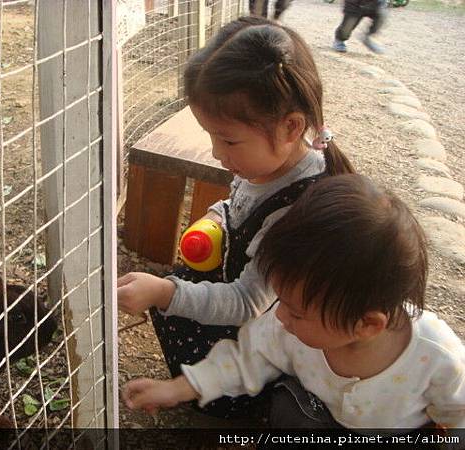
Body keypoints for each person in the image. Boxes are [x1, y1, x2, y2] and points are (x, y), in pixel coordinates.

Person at [118, 16, 356, 419]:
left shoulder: (296, 208)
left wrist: (163, 292)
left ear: (290, 127)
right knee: (180, 286)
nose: (215, 153)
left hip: (275, 330)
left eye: (226, 139)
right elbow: (236, 203)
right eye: (210, 136)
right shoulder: (264, 168)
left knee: (172, 295)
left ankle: (233, 404)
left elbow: (249, 303)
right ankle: (198, 384)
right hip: (244, 287)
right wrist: (216, 218)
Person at [123, 174, 465, 436]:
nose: (280, 317)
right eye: (282, 302)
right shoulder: (290, 327)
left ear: (368, 325)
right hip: (318, 415)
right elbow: (246, 360)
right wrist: (176, 389)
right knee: (290, 409)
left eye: (297, 311)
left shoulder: (436, 356)